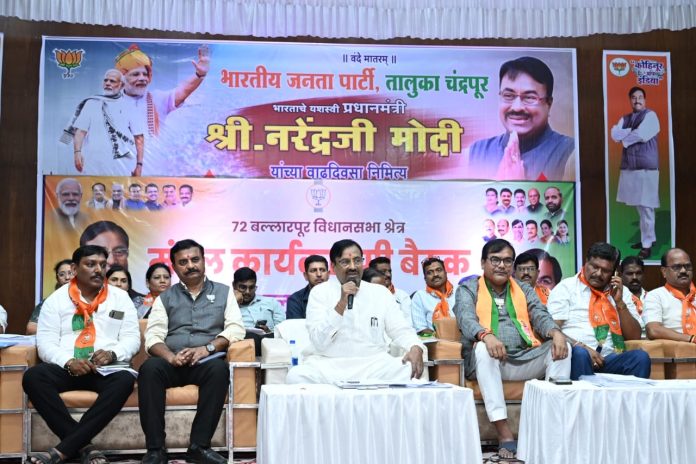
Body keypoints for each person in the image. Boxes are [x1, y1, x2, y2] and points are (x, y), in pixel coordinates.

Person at [22, 245, 140, 464]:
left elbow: (132, 339)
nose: (98, 270)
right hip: (68, 368)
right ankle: (84, 447)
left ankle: (63, 450)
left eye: (102, 265)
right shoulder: (56, 300)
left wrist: (113, 353)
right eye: (91, 264)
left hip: (105, 369)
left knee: (124, 380)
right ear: (75, 269)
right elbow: (45, 343)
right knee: (33, 377)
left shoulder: (120, 298)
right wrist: (69, 362)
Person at [454, 239, 569, 460]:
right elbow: (465, 318)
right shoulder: (468, 288)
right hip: (486, 362)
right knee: (483, 349)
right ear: (483, 262)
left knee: (563, 349)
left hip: (523, 357)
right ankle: (504, 432)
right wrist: (486, 336)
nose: (501, 265)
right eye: (495, 260)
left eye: (507, 261)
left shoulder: (523, 289)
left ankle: (550, 428)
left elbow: (539, 315)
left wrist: (555, 333)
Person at [139, 239, 245, 464]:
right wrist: (170, 356)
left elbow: (236, 328)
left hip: (205, 361)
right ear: (175, 267)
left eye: (195, 260)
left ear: (204, 261)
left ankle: (199, 446)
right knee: (149, 369)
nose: (190, 266)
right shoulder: (165, 298)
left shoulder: (225, 292)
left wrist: (207, 348)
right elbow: (153, 336)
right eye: (183, 262)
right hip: (172, 361)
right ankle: (156, 449)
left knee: (219, 370)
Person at [285, 239, 424, 384]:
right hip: (328, 365)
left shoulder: (380, 292)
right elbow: (319, 341)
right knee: (296, 376)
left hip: (374, 364)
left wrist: (415, 346)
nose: (352, 267)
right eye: (345, 262)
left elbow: (400, 329)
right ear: (333, 266)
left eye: (357, 261)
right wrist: (341, 304)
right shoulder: (320, 292)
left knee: (409, 369)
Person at [547, 242, 649, 380]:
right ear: (586, 262)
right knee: (580, 353)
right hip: (578, 356)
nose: (598, 274)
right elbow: (551, 330)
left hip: (610, 358)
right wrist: (583, 347)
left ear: (614, 273)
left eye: (605, 270)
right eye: (594, 267)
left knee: (640, 358)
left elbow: (634, 336)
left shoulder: (621, 292)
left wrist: (619, 303)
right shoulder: (566, 288)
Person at [468, 56, 575, 181]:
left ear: (549, 104)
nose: (517, 107)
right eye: (508, 95)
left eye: (529, 97)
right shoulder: (476, 151)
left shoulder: (570, 152)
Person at [115, 44, 210, 138]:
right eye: (135, 74)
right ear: (122, 77)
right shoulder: (110, 103)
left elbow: (183, 90)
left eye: (145, 74)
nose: (142, 78)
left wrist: (199, 74)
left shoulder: (157, 98)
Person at [63, 69, 145, 176]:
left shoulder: (130, 106)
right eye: (106, 80)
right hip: (93, 163)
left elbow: (139, 138)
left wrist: (139, 164)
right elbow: (80, 132)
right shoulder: (92, 103)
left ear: (121, 85)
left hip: (122, 164)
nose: (108, 83)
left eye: (112, 81)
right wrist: (77, 153)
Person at [611, 86, 661, 259]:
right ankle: (649, 238)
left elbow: (642, 135)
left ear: (644, 100)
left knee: (646, 207)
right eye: (634, 97)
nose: (637, 100)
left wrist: (624, 136)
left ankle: (646, 246)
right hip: (630, 168)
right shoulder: (625, 118)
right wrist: (627, 133)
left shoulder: (651, 116)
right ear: (630, 100)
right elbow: (614, 134)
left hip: (646, 169)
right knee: (640, 207)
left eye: (640, 97)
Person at [643, 248, 696, 343]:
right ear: (664, 271)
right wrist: (691, 339)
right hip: (674, 349)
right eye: (677, 267)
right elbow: (653, 330)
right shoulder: (655, 296)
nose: (683, 271)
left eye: (687, 266)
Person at [27, 259, 74, 335]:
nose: (67, 277)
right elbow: (31, 329)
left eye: (71, 273)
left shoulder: (88, 299)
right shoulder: (50, 301)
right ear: (57, 279)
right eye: (62, 274)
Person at [411, 257, 456, 335]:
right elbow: (421, 329)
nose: (435, 274)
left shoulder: (459, 291)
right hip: (434, 340)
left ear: (445, 273)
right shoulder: (420, 296)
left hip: (463, 339)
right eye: (430, 272)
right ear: (425, 278)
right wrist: (443, 337)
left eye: (439, 270)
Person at [233, 267, 286, 332]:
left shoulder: (272, 303)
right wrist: (233, 303)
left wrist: (269, 332)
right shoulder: (226, 307)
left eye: (251, 287)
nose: (247, 292)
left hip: (267, 338)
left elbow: (283, 331)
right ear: (234, 285)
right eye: (243, 287)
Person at [369, 257, 413, 324]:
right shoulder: (366, 294)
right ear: (372, 274)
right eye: (383, 272)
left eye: (389, 271)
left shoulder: (402, 296)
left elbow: (408, 323)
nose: (388, 275)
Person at [286, 255, 329, 319]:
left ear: (328, 274)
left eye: (322, 270)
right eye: (313, 270)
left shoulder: (339, 295)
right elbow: (296, 325)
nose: (319, 274)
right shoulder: (295, 300)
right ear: (306, 275)